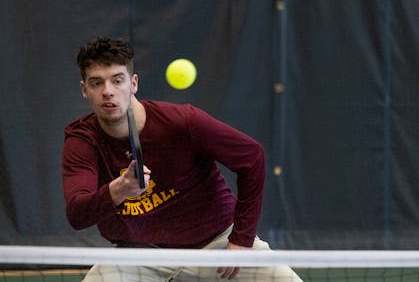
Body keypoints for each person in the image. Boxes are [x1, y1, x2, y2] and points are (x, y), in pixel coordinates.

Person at [62, 37, 303, 282]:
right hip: (141, 256)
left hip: (216, 245)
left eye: (117, 80)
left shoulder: (183, 122)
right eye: (96, 83)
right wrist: (119, 189)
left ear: (133, 83)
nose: (107, 91)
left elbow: (253, 158)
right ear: (84, 89)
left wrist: (242, 239)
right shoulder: (82, 140)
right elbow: (78, 214)